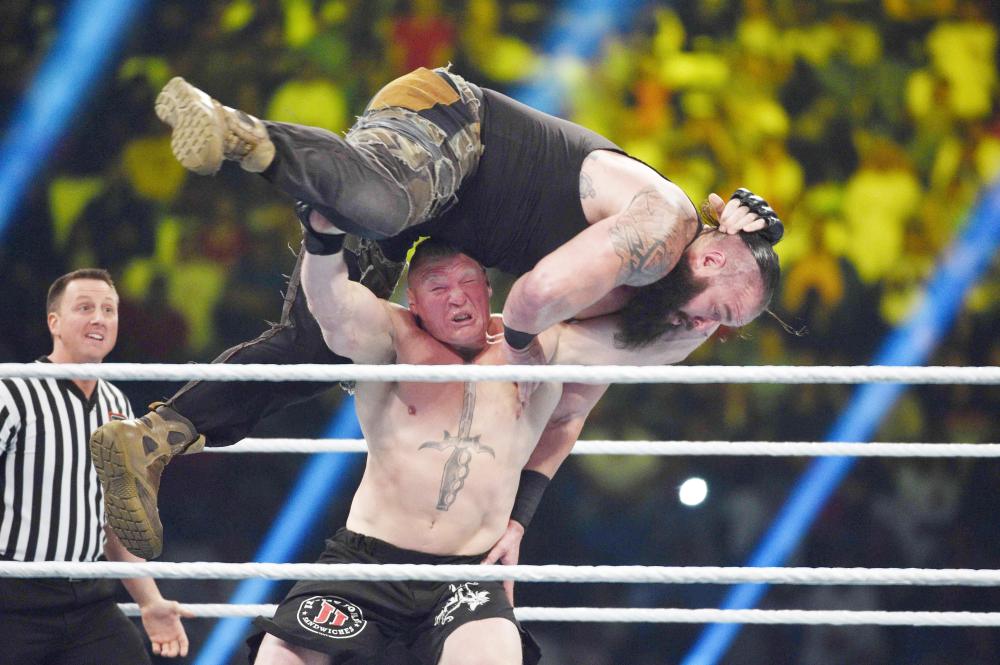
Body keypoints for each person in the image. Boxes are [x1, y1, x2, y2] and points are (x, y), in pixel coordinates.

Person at [247, 220, 727, 664]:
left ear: (490, 288)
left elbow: (652, 348)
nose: (457, 298)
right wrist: (321, 233)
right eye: (438, 287)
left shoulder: (544, 350)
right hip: (368, 562)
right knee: (279, 658)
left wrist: (717, 259)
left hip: (467, 572)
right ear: (414, 302)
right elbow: (330, 306)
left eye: (468, 283)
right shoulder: (391, 339)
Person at [0, 269, 191, 663]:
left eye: (109, 309)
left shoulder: (117, 408)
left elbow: (118, 520)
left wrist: (150, 602)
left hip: (89, 603)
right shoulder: (13, 391)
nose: (99, 319)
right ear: (54, 322)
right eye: (84, 308)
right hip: (11, 603)